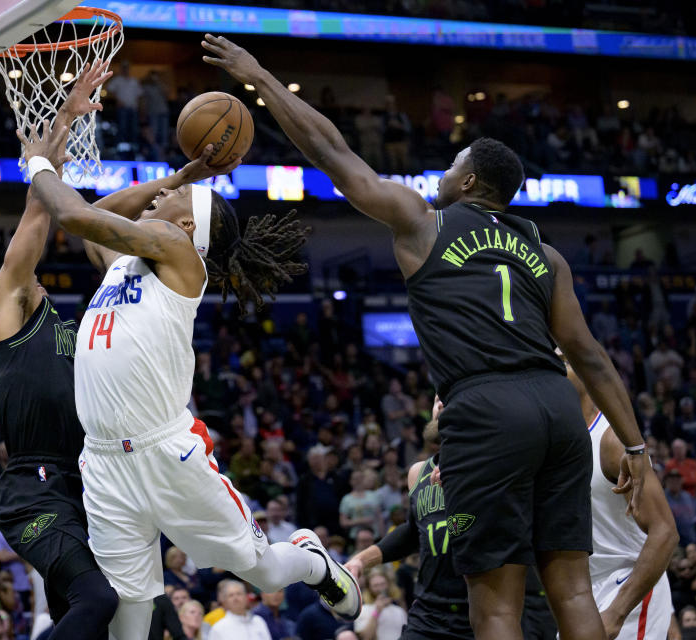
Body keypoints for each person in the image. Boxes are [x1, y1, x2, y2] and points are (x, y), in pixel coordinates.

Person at [201, 34, 648, 640]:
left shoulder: (423, 222)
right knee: (572, 590)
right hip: (558, 408)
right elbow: (590, 356)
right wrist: (636, 446)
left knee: (494, 606)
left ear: (468, 183)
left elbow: (331, 150)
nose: (443, 173)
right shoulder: (547, 255)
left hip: (489, 409)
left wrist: (259, 76)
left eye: (452, 165)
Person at [16, 61, 356, 639]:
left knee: (263, 569)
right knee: (130, 614)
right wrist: (186, 172)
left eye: (175, 199)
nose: (159, 199)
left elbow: (74, 213)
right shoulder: (128, 263)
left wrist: (39, 163)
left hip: (168, 453)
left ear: (185, 226)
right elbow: (90, 222)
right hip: (103, 461)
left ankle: (312, 558)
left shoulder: (181, 259)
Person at [0, 64, 121, 640]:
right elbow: (40, 211)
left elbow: (102, 250)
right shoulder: (11, 321)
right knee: (96, 601)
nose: (28, 274)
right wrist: (60, 124)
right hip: (33, 489)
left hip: (85, 480)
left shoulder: (70, 326)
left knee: (83, 619)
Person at [564, 352, 678, 638]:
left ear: (586, 372)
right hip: (580, 595)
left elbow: (664, 532)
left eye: (563, 361)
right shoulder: (555, 443)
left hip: (624, 592)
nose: (550, 369)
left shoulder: (612, 439)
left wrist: (616, 613)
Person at [346, 401, 473, 640]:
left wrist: (464, 482)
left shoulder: (490, 463)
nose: (440, 404)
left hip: (479, 609)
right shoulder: (418, 472)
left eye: (447, 395)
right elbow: (414, 533)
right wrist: (361, 560)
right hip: (429, 612)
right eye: (436, 400)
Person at [352, 569, 407, 640]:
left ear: (388, 584)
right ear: (369, 588)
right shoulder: (363, 610)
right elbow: (365, 637)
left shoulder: (399, 611)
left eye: (382, 584)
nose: (380, 588)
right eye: (376, 585)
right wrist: (377, 612)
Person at [207, 580, 271, 640]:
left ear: (246, 597)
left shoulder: (258, 621)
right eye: (231, 595)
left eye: (239, 594)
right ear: (225, 601)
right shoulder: (218, 628)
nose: (235, 598)